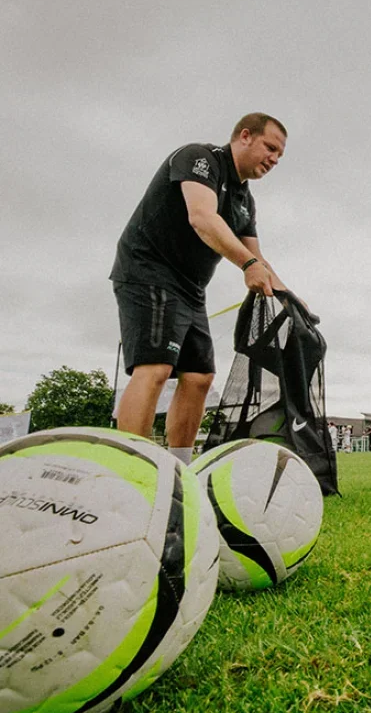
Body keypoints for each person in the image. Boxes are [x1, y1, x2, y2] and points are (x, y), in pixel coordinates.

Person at [111, 113, 291, 464]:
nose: (274, 159)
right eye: (270, 148)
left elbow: (257, 257)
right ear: (244, 136)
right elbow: (202, 217)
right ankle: (130, 467)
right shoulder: (199, 159)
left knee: (199, 377)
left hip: (191, 289)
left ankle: (179, 469)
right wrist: (249, 267)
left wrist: (290, 300)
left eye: (280, 155)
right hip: (149, 269)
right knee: (156, 368)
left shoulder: (244, 200)